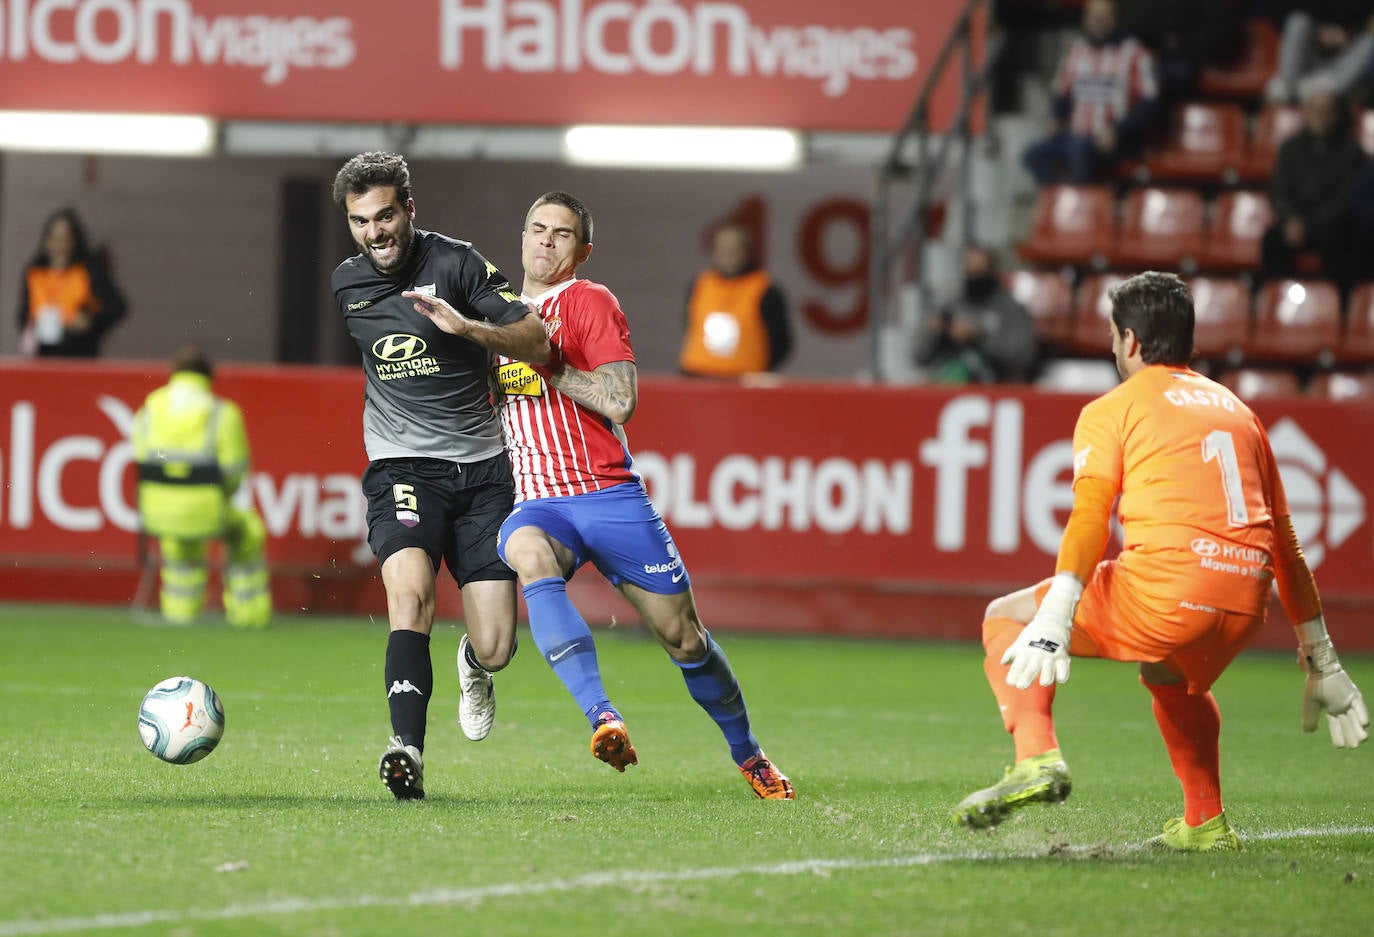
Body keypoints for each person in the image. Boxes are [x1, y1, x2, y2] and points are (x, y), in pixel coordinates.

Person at [952, 272, 1367, 850]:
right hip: (1246, 603)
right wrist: (1322, 659)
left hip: (1167, 592)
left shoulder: (1112, 408)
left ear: (1131, 341)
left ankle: (1035, 759)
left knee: (1007, 615)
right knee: (1169, 672)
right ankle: (1207, 824)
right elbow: (1287, 546)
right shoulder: (1239, 412)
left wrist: (1055, 615)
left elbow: (1091, 516)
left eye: (1111, 336)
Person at [410, 192, 795, 799]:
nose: (545, 241)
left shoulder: (588, 302)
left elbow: (620, 401)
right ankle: (603, 718)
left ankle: (749, 755)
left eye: (561, 234)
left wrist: (539, 361)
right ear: (522, 236)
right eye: (536, 228)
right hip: (536, 502)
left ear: (581, 251)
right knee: (530, 554)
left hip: (609, 495)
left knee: (684, 638)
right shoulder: (494, 314)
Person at [330, 151, 551, 800]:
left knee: (499, 643)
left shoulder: (458, 264)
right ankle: (407, 750)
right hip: (401, 467)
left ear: (410, 208)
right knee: (412, 597)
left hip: (485, 473)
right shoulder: (346, 283)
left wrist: (468, 329)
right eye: (361, 220)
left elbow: (534, 337)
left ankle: (473, 664)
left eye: (387, 215)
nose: (376, 232)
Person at [131, 346, 272, 629]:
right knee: (248, 532)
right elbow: (234, 470)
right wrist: (216, 498)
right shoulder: (221, 412)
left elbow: (140, 457)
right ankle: (248, 616)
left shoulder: (150, 406)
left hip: (156, 513)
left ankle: (180, 616)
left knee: (181, 543)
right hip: (207, 510)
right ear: (209, 376)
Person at [1022, 0, 1161, 186]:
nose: (1099, 22)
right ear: (1086, 19)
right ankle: (1065, 198)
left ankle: (1083, 205)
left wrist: (1118, 130)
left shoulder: (1135, 53)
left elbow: (1150, 105)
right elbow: (1062, 94)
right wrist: (1057, 118)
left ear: (1114, 19)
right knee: (1033, 155)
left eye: (1104, 16)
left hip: (1115, 140)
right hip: (1076, 136)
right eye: (1094, 16)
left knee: (1078, 150)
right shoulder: (1076, 51)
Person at [1259, 78, 1365, 295]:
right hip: (1295, 222)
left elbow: (1346, 199)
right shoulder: (1290, 148)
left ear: (1336, 114)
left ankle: (1340, 306)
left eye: (1327, 111)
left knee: (1346, 240)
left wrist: (1309, 224)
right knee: (1272, 239)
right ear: (1305, 113)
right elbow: (1279, 191)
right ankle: (1272, 300)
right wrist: (1290, 219)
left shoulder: (1351, 151)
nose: (1321, 117)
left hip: (1333, 226)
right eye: (1316, 110)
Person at [678, 222, 792, 378]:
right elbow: (690, 326)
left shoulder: (766, 291)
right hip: (697, 378)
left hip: (744, 382)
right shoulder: (700, 285)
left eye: (734, 250)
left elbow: (780, 342)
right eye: (722, 249)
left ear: (746, 252)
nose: (727, 256)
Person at [914, 245, 1040, 384]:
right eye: (970, 272)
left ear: (992, 271)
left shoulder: (1011, 309)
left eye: (980, 272)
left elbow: (1024, 356)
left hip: (999, 389)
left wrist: (980, 335)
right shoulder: (950, 306)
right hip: (952, 388)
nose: (975, 278)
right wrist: (934, 334)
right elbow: (919, 358)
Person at [16, 207, 126, 358]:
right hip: (43, 355)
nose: (58, 246)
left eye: (64, 239)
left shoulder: (88, 272)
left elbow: (116, 306)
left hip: (79, 354)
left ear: (74, 242)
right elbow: (23, 314)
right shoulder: (35, 273)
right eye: (54, 239)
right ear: (46, 241)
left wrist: (91, 321)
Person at [1264, 2, 1374, 105]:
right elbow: (1278, 9)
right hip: (1306, 56)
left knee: (1370, 39)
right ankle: (1289, 87)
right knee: (1298, 20)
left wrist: (1349, 34)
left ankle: (1300, 91)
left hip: (1343, 61)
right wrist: (1319, 30)